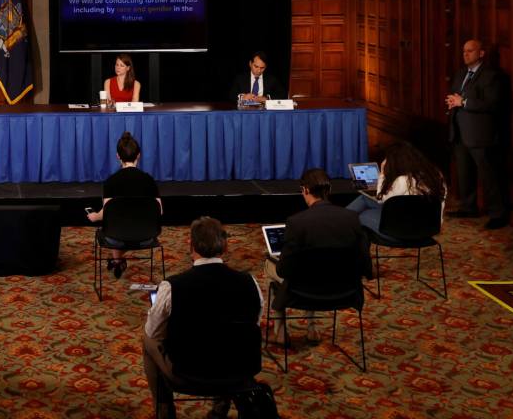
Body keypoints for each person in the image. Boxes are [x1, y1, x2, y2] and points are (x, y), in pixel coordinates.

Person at [143, 217, 263, 419]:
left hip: (188, 372)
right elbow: (253, 326)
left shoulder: (171, 287)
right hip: (237, 371)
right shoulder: (251, 283)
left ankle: (164, 409)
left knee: (148, 339)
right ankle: (221, 405)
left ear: (191, 246)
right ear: (225, 246)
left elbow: (154, 331)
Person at [265, 168, 370, 341]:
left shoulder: (296, 222)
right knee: (314, 267)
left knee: (269, 264)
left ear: (305, 190)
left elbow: (284, 270)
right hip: (345, 290)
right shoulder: (352, 218)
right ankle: (312, 329)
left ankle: (280, 331)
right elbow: (365, 262)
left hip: (303, 291)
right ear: (329, 191)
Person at [445, 38, 512, 229]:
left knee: (489, 176)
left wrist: (463, 103)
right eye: (464, 51)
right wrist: (453, 102)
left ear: (481, 53)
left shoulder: (492, 76)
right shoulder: (460, 73)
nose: (465, 54)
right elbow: (456, 95)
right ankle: (468, 206)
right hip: (459, 131)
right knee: (464, 173)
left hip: (480, 134)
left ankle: (498, 214)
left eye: (470, 51)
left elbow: (493, 104)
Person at [86, 132, 161, 278]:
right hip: (147, 236)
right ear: (138, 155)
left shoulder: (111, 182)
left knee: (115, 226)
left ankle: (117, 260)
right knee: (122, 222)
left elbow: (107, 213)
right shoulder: (149, 180)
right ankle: (117, 260)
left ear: (118, 156)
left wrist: (95, 216)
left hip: (115, 237)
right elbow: (160, 211)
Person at [345, 141, 446, 234]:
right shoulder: (435, 177)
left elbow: (384, 202)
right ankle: (339, 220)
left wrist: (383, 174)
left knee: (363, 215)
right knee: (365, 199)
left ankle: (338, 222)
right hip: (430, 229)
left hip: (402, 231)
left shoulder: (402, 180)